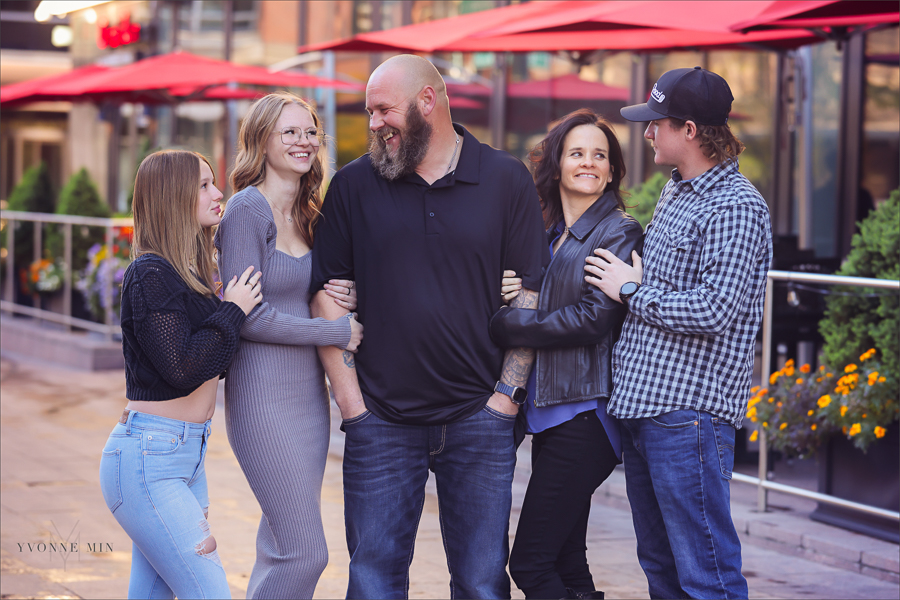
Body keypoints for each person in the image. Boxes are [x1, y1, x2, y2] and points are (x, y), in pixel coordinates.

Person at [309, 54, 549, 599]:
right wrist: (354, 410)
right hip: (381, 422)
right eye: (369, 112)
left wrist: (506, 399)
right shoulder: (353, 185)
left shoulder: (505, 178)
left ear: (428, 101)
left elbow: (530, 295)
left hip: (480, 420)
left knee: (483, 583)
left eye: (383, 110)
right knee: (373, 582)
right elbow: (327, 296)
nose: (373, 124)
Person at [583, 67, 772, 599]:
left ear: (689, 130)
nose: (646, 133)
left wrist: (630, 291)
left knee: (706, 573)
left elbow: (716, 309)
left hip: (688, 415)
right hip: (647, 408)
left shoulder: (735, 206)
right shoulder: (677, 192)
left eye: (655, 123)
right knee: (662, 572)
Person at [214, 92, 364, 599]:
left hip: (308, 401)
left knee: (281, 544)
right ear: (261, 139)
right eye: (289, 132)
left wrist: (345, 293)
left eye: (310, 131)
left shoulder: (309, 212)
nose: (304, 142)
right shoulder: (245, 210)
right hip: (262, 399)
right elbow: (248, 318)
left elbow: (312, 293)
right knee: (305, 552)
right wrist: (335, 333)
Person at [491, 109, 643, 600]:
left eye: (600, 155)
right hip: (551, 415)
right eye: (577, 153)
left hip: (585, 415)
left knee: (530, 564)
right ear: (557, 164)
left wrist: (509, 322)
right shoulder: (546, 232)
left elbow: (594, 317)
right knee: (566, 562)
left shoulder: (618, 231)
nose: (589, 163)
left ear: (613, 170)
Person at [99, 150, 263, 599]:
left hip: (184, 456)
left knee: (153, 593)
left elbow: (214, 362)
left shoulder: (187, 273)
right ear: (174, 196)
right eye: (205, 185)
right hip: (150, 457)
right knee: (208, 591)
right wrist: (232, 311)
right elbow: (183, 367)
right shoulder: (149, 273)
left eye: (215, 182)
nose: (218, 193)